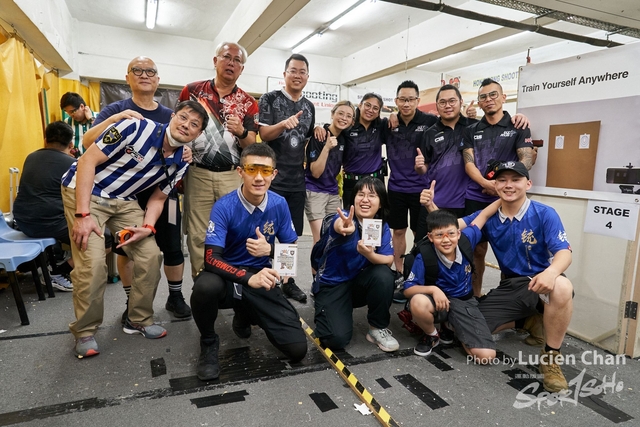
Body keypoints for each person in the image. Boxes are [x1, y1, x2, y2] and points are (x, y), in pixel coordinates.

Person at [61, 100, 208, 358]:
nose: (186, 125)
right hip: (86, 191)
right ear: (173, 117)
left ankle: (137, 318)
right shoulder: (134, 128)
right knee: (93, 263)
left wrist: (148, 227)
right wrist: (82, 214)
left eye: (194, 125)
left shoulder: (182, 160)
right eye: (183, 118)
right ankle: (84, 330)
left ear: (198, 135)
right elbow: (86, 161)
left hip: (124, 200)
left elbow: (158, 198)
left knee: (150, 255)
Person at [425, 161, 574, 393]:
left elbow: (564, 252)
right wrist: (431, 205)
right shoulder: (491, 216)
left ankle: (551, 358)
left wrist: (552, 272)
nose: (509, 185)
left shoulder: (545, 213)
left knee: (563, 286)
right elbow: (453, 228)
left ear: (528, 183)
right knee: (462, 327)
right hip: (510, 285)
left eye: (515, 180)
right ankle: (529, 321)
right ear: (495, 185)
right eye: (502, 180)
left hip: (540, 280)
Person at [83, 56, 193, 320]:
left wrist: (186, 149)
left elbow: (182, 141)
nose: (144, 75)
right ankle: (132, 301)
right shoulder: (115, 110)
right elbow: (88, 142)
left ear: (157, 79)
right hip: (123, 195)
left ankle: (175, 296)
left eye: (150, 71)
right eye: (138, 70)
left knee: (173, 247)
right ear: (128, 78)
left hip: (163, 193)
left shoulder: (171, 116)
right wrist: (117, 118)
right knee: (125, 248)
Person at [190, 143, 307, 381]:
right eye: (252, 169)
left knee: (297, 350)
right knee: (204, 287)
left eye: (265, 171)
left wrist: (271, 250)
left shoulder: (279, 203)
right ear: (240, 171)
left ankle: (245, 314)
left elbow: (290, 248)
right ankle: (209, 341)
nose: (258, 177)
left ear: (274, 174)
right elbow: (211, 258)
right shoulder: (224, 206)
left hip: (261, 277)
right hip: (229, 275)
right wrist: (247, 278)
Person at [179, 41, 259, 279]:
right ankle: (203, 283)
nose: (231, 63)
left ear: (242, 69)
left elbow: (252, 145)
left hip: (231, 176)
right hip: (198, 173)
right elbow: (178, 126)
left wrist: (241, 132)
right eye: (227, 57)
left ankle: (231, 281)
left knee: (234, 230)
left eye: (237, 61)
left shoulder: (248, 102)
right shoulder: (192, 91)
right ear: (216, 61)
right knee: (197, 233)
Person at [461, 78, 535, 297]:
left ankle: (510, 300)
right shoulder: (471, 130)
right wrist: (486, 183)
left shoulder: (518, 126)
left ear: (503, 98)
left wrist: (503, 186)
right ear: (479, 103)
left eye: (493, 94)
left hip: (508, 199)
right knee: (476, 251)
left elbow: (527, 159)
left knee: (512, 251)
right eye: (483, 97)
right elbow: (468, 163)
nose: (489, 100)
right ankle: (476, 296)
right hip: (476, 196)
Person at [403, 202, 498, 362]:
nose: (446, 240)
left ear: (459, 234)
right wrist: (433, 290)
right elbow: (407, 289)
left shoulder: (467, 240)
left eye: (451, 234)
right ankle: (432, 334)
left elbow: (484, 215)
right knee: (418, 302)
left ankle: (450, 326)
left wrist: (504, 197)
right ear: (431, 237)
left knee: (486, 357)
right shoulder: (424, 255)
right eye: (439, 235)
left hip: (464, 301)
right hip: (437, 302)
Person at [312, 177, 398, 353]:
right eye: (361, 194)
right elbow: (336, 225)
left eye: (372, 195)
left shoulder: (381, 227)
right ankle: (329, 309)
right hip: (333, 285)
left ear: (380, 203)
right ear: (354, 199)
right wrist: (343, 227)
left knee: (383, 275)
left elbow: (389, 259)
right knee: (335, 340)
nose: (365, 199)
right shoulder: (341, 218)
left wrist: (369, 254)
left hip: (359, 283)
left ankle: (376, 329)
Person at [258, 53, 315, 303]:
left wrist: (322, 130)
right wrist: (283, 124)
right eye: (293, 70)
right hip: (270, 180)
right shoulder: (269, 99)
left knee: (290, 237)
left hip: (296, 181)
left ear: (307, 77)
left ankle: (288, 281)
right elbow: (263, 134)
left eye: (302, 71)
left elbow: (309, 139)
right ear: (284, 74)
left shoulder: (310, 107)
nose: (297, 75)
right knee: (264, 233)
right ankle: (263, 280)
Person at [14, 122, 77, 291]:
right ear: (71, 145)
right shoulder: (72, 164)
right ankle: (59, 273)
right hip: (48, 224)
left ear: (45, 140)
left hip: (22, 221)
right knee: (101, 239)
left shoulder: (31, 157)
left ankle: (48, 267)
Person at [305, 100, 355, 244]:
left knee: (334, 238)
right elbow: (315, 172)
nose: (343, 118)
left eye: (348, 116)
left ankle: (328, 268)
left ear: (352, 121)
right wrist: (326, 148)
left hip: (333, 193)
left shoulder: (344, 139)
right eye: (340, 113)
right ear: (332, 114)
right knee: (320, 240)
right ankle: (316, 267)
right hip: (315, 191)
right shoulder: (319, 136)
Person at [60, 92, 96, 157]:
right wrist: (67, 152)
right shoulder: (67, 122)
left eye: (72, 111)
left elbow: (104, 135)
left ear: (82, 106)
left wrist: (91, 119)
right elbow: (63, 144)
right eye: (68, 112)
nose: (71, 115)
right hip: (75, 162)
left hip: (97, 161)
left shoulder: (99, 117)